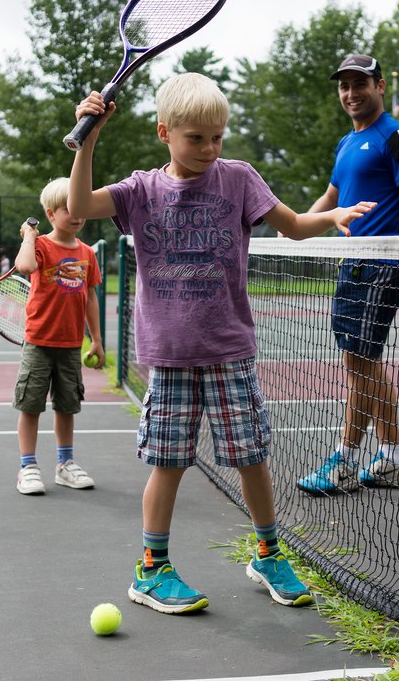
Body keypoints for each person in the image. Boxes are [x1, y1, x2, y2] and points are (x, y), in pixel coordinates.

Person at [68, 72, 373, 615]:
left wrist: (330, 215)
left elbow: (295, 225)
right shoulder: (140, 190)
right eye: (196, 138)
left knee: (252, 457)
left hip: (230, 348)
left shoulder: (238, 179)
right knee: (169, 462)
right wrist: (88, 136)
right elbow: (78, 204)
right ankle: (152, 569)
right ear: (165, 132)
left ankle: (268, 553)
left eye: (218, 137)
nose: (209, 149)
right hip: (171, 356)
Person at [295, 54, 399, 497]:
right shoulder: (345, 143)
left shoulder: (397, 136)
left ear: (378, 85)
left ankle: (344, 462)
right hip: (352, 264)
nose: (351, 93)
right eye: (344, 86)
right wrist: (290, 229)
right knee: (364, 363)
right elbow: (332, 196)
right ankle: (390, 461)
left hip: (384, 264)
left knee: (359, 364)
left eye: (360, 84)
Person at [11, 177, 105, 496]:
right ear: (51, 214)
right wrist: (29, 236)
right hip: (39, 342)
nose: (77, 215)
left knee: (67, 407)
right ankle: (28, 467)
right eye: (68, 209)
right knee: (31, 406)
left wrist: (96, 340)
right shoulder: (40, 246)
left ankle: (65, 465)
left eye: (80, 208)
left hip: (70, 346)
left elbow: (90, 298)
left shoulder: (87, 253)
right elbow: (24, 266)